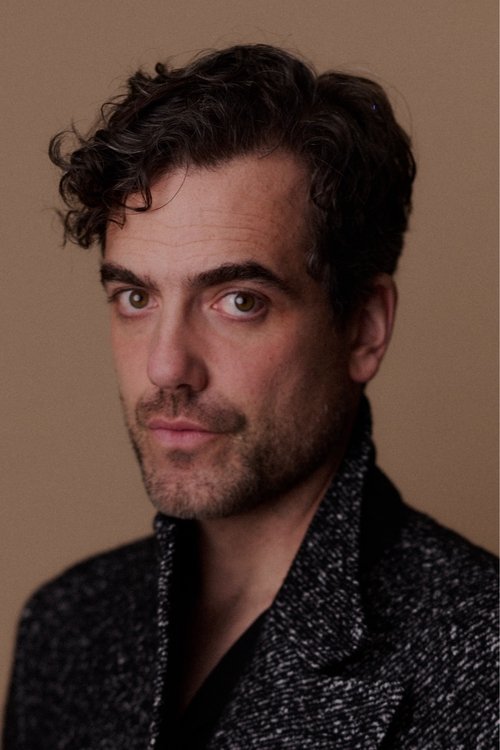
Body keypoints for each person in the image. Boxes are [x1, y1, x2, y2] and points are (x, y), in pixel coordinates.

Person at [4, 44, 497, 750]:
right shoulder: (66, 630)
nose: (166, 367)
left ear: (364, 328)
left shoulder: (482, 658)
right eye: (136, 296)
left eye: (239, 300)